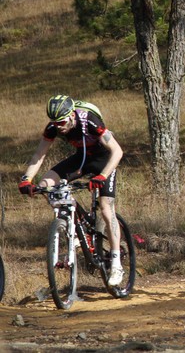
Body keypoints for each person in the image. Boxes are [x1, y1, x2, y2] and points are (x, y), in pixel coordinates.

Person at [18, 95, 125, 286]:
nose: (58, 127)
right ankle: (73, 229)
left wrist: (102, 176)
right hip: (81, 160)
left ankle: (116, 262)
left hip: (104, 161)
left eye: (61, 122)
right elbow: (39, 155)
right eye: (54, 122)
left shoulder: (89, 121)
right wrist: (27, 179)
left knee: (107, 211)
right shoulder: (53, 127)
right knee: (45, 186)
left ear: (72, 116)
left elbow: (117, 151)